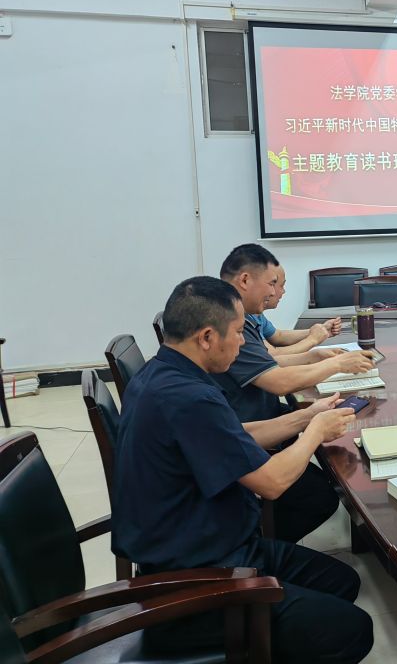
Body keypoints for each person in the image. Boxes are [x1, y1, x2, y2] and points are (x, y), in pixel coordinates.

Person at [113, 276, 373, 663]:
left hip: (218, 543)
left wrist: (306, 416)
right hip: (195, 577)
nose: (243, 342)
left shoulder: (163, 375)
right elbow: (272, 483)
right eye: (237, 333)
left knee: (341, 581)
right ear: (206, 337)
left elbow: (235, 434)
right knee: (352, 630)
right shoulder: (188, 397)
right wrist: (315, 433)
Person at [213, 244, 374, 542]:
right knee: (323, 492)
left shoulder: (233, 318)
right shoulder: (228, 324)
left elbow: (269, 361)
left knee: (331, 444)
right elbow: (277, 380)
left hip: (252, 423)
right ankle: (261, 549)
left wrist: (313, 357)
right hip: (249, 436)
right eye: (273, 283)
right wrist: (335, 364)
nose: (278, 292)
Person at [256, 265, 343, 355]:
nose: (283, 291)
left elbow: (277, 336)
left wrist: (320, 330)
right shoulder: (248, 317)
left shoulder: (256, 315)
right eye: (280, 285)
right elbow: (272, 355)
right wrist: (312, 340)